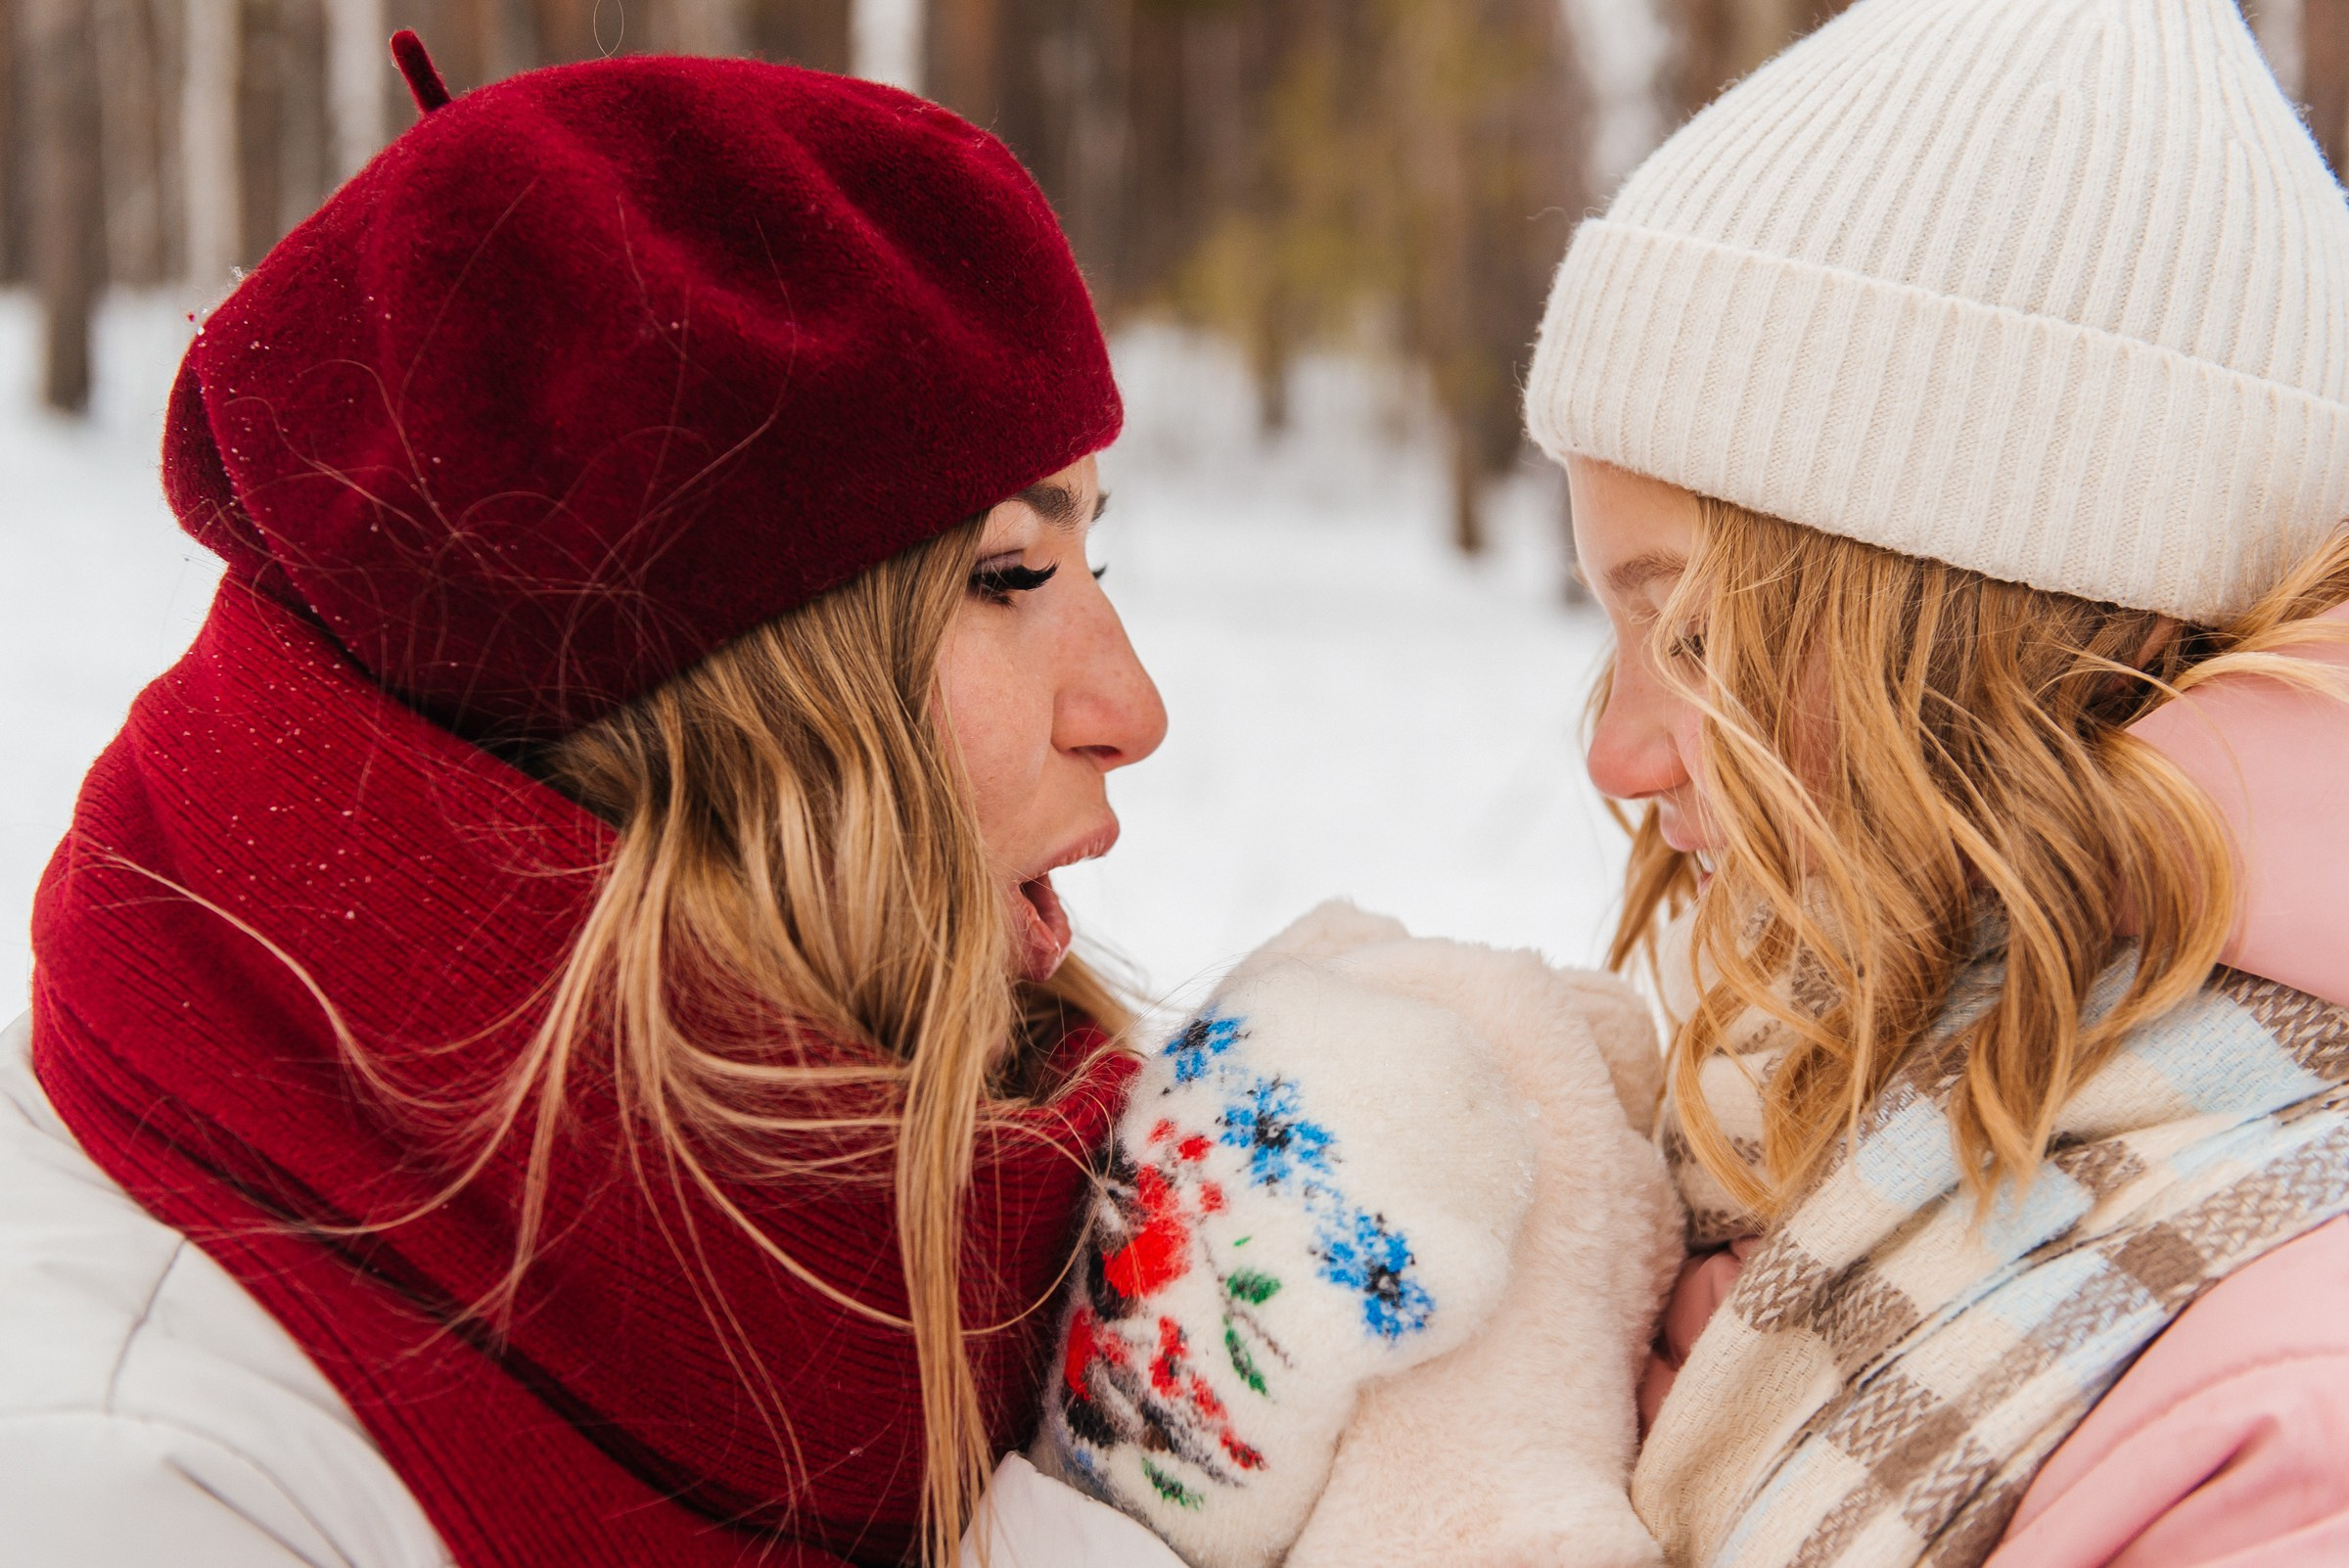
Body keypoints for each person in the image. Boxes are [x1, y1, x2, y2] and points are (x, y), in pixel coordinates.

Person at [0, 39, 1172, 1568]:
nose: (1132, 709)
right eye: (1006, 574)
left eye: (1092, 556)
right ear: (689, 706)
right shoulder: (145, 1480)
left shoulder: (1048, 1249)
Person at [1530, 0, 2349, 1563]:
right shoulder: (1797, 1134)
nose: (1615, 754)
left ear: (1982, 627)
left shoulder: (2285, 1416)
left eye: (1694, 636)